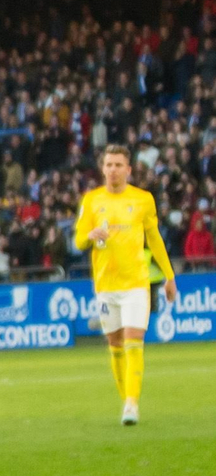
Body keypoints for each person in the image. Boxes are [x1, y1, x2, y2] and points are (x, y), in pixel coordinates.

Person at [72, 144, 177, 425]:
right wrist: (91, 235)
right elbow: (79, 240)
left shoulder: (143, 200)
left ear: (128, 170)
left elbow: (154, 238)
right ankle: (126, 399)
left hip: (136, 283)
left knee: (133, 340)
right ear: (102, 168)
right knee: (115, 344)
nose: (113, 170)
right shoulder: (92, 200)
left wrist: (169, 276)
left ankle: (132, 404)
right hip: (106, 285)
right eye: (109, 165)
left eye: (119, 165)